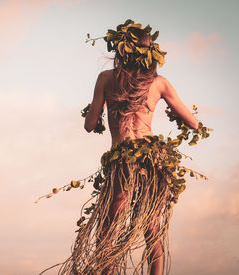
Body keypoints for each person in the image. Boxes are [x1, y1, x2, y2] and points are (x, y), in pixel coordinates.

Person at [39, 20, 211, 275]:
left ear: (120, 50)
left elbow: (89, 125)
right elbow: (195, 124)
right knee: (153, 230)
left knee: (108, 229)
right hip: (153, 160)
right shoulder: (160, 83)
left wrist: (101, 108)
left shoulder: (106, 78)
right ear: (149, 52)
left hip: (122, 161)